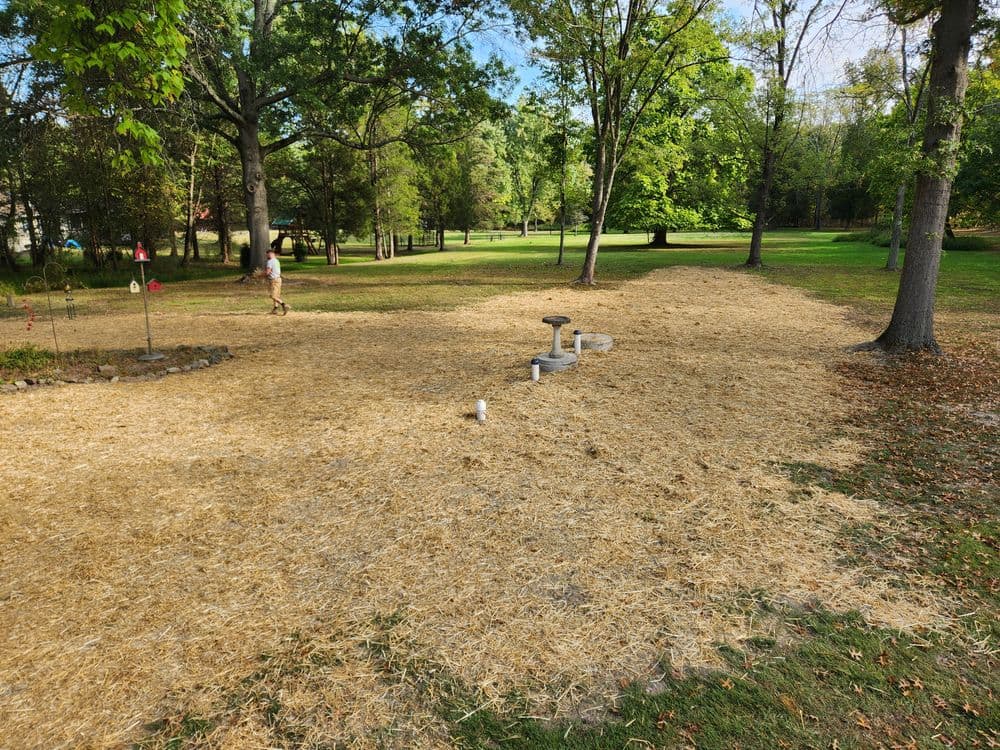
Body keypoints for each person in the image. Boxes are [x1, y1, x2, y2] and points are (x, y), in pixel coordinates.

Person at [263, 248, 290, 315]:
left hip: (273, 280)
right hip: (278, 279)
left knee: (272, 296)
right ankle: (275, 309)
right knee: (276, 295)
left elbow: (267, 272)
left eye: (267, 254)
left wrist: (259, 275)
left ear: (271, 254)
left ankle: (284, 305)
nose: (267, 256)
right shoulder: (276, 261)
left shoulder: (270, 261)